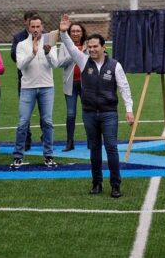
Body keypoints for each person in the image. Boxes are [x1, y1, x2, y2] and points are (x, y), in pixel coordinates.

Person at [59, 14, 134, 198]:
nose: (91, 50)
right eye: (89, 47)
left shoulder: (115, 65)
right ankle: (96, 183)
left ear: (103, 47)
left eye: (95, 47)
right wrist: (63, 32)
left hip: (109, 113)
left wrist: (129, 109)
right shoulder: (84, 61)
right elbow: (69, 46)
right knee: (94, 148)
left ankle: (115, 184)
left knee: (111, 148)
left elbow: (124, 87)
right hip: (89, 113)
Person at [11, 15, 58, 168]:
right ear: (28, 27)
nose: (36, 29)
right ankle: (18, 156)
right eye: (33, 27)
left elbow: (55, 64)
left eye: (38, 26)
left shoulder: (50, 43)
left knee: (47, 122)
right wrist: (32, 53)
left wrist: (47, 53)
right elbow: (20, 66)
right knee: (23, 122)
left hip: (46, 87)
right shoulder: (21, 44)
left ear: (42, 27)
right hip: (28, 88)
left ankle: (48, 155)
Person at [58, 22, 87, 152]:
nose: (75, 33)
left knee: (88, 112)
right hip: (70, 84)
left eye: (78, 31)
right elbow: (60, 63)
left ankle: (91, 141)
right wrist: (74, 53)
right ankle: (70, 142)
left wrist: (83, 51)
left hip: (86, 84)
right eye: (73, 31)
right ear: (69, 33)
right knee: (71, 113)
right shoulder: (65, 46)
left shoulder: (89, 45)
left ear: (82, 33)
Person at [11, 10, 36, 150]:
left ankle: (45, 138)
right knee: (25, 113)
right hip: (25, 79)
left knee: (45, 114)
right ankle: (26, 140)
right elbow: (14, 56)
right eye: (30, 20)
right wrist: (29, 55)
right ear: (25, 22)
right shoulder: (18, 37)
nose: (33, 24)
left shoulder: (44, 36)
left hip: (43, 80)